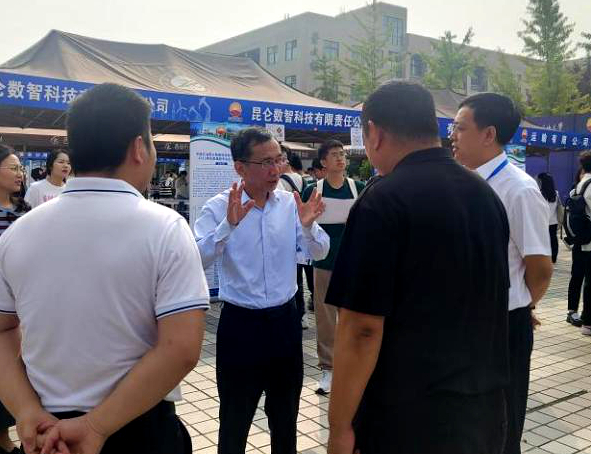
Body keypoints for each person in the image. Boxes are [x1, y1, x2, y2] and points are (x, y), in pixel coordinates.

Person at [0, 83, 210, 454]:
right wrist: (95, 427)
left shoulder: (19, 232)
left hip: (47, 433)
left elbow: (2, 330)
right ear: (139, 148)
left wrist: (25, 410)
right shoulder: (165, 228)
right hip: (138, 427)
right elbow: (181, 348)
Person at [326, 81, 511, 454]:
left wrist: (339, 427)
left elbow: (362, 329)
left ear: (374, 133)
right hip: (484, 411)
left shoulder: (382, 201)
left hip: (409, 418)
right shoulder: (484, 194)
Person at [194, 127, 329, 454]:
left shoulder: (289, 205)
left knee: (285, 417)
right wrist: (228, 226)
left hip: (285, 323)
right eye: (266, 162)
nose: (275, 169)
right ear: (240, 167)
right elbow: (194, 257)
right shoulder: (219, 207)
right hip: (240, 325)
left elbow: (320, 251)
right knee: (235, 418)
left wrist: (308, 227)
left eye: (278, 160)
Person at [452, 92, 553, 454]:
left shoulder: (519, 190)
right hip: (462, 323)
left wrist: (523, 304)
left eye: (460, 128)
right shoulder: (462, 181)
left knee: (502, 422)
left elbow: (540, 268)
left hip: (503, 325)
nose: (452, 136)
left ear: (489, 134)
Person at [302, 139, 365, 395]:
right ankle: (328, 369)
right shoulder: (312, 190)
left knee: (352, 316)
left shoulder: (358, 188)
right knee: (326, 318)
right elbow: (302, 224)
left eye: (342, 154)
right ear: (323, 162)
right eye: (334, 155)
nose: (340, 158)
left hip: (353, 263)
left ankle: (353, 366)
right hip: (324, 263)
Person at [0, 144, 30, 454]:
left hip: (20, 306)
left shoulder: (25, 210)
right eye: (13, 168)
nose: (20, 173)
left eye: (20, 168)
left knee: (16, 367)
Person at [569, 152, 591, 336]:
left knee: (577, 276)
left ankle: (572, 311)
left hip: (580, 239)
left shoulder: (580, 185)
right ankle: (588, 321)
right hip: (589, 242)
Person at [537, 172, 562, 263]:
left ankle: (544, 256)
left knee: (542, 240)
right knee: (553, 239)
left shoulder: (539, 194)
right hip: (553, 221)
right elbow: (559, 208)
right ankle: (553, 257)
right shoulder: (556, 193)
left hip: (542, 222)